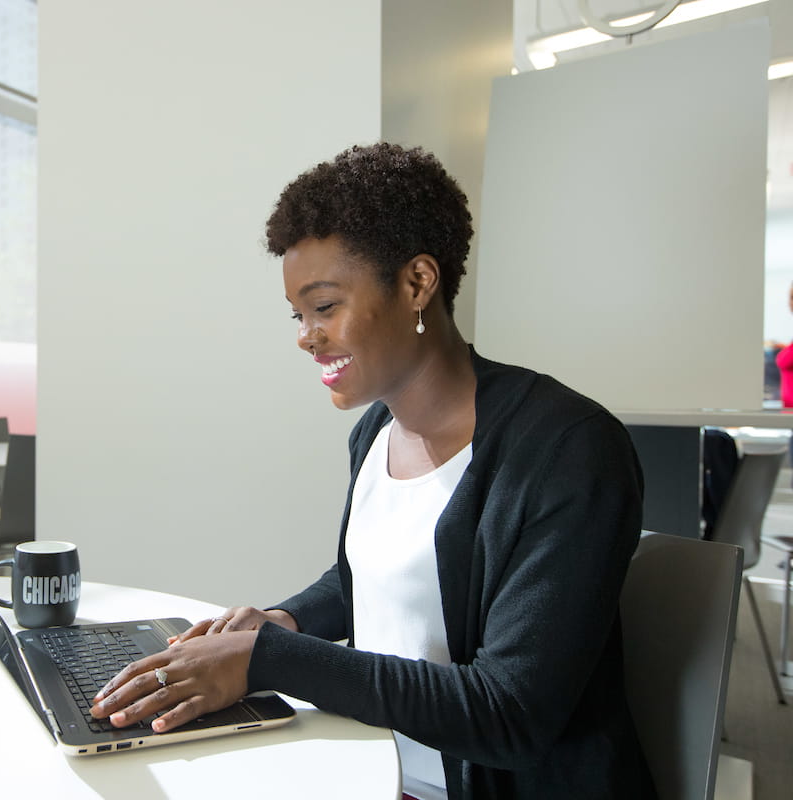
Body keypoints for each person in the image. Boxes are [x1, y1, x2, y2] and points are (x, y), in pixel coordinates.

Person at [90, 143, 655, 799]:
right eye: (298, 316)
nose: (306, 335)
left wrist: (269, 659)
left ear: (417, 283)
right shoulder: (374, 433)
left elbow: (512, 714)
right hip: (374, 770)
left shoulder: (568, 449)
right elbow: (370, 574)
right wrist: (284, 621)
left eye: (325, 307)